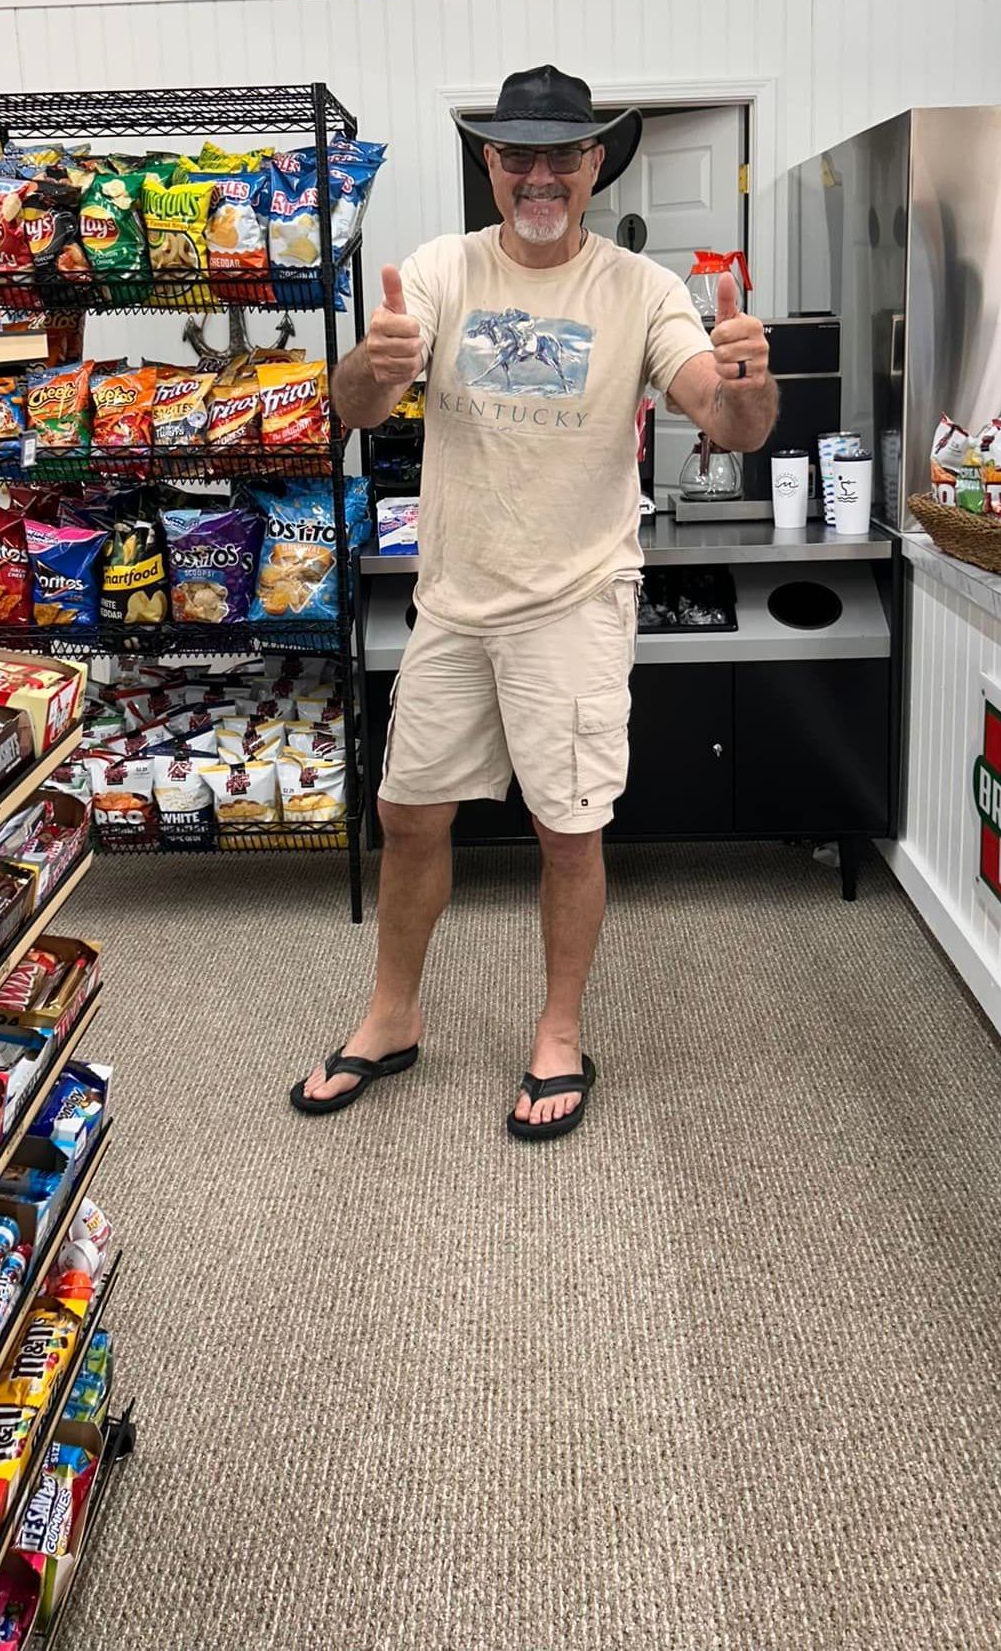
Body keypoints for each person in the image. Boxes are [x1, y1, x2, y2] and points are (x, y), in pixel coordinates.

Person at [292, 64, 777, 1140]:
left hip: (575, 600)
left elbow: (727, 420)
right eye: (520, 155)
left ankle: (559, 1035)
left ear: (597, 162)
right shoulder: (437, 271)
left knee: (568, 830)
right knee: (407, 815)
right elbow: (354, 407)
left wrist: (746, 389)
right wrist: (372, 370)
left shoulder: (640, 290)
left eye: (564, 153)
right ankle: (392, 1015)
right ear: (490, 164)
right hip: (457, 602)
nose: (541, 174)